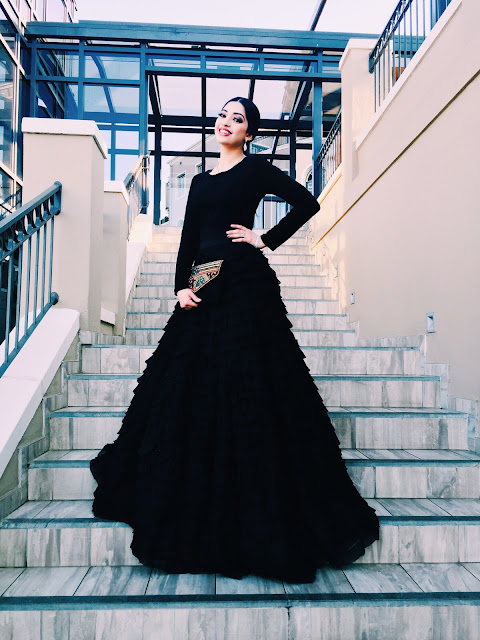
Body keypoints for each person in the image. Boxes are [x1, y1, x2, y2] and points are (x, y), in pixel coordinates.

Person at [90, 96, 380, 584]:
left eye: (238, 119)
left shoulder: (256, 170)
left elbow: (307, 202)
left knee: (253, 383)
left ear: (249, 132)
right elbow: (189, 238)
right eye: (223, 115)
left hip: (245, 283)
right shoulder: (200, 181)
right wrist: (180, 287)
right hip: (203, 284)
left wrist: (266, 238)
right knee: (187, 384)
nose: (226, 122)